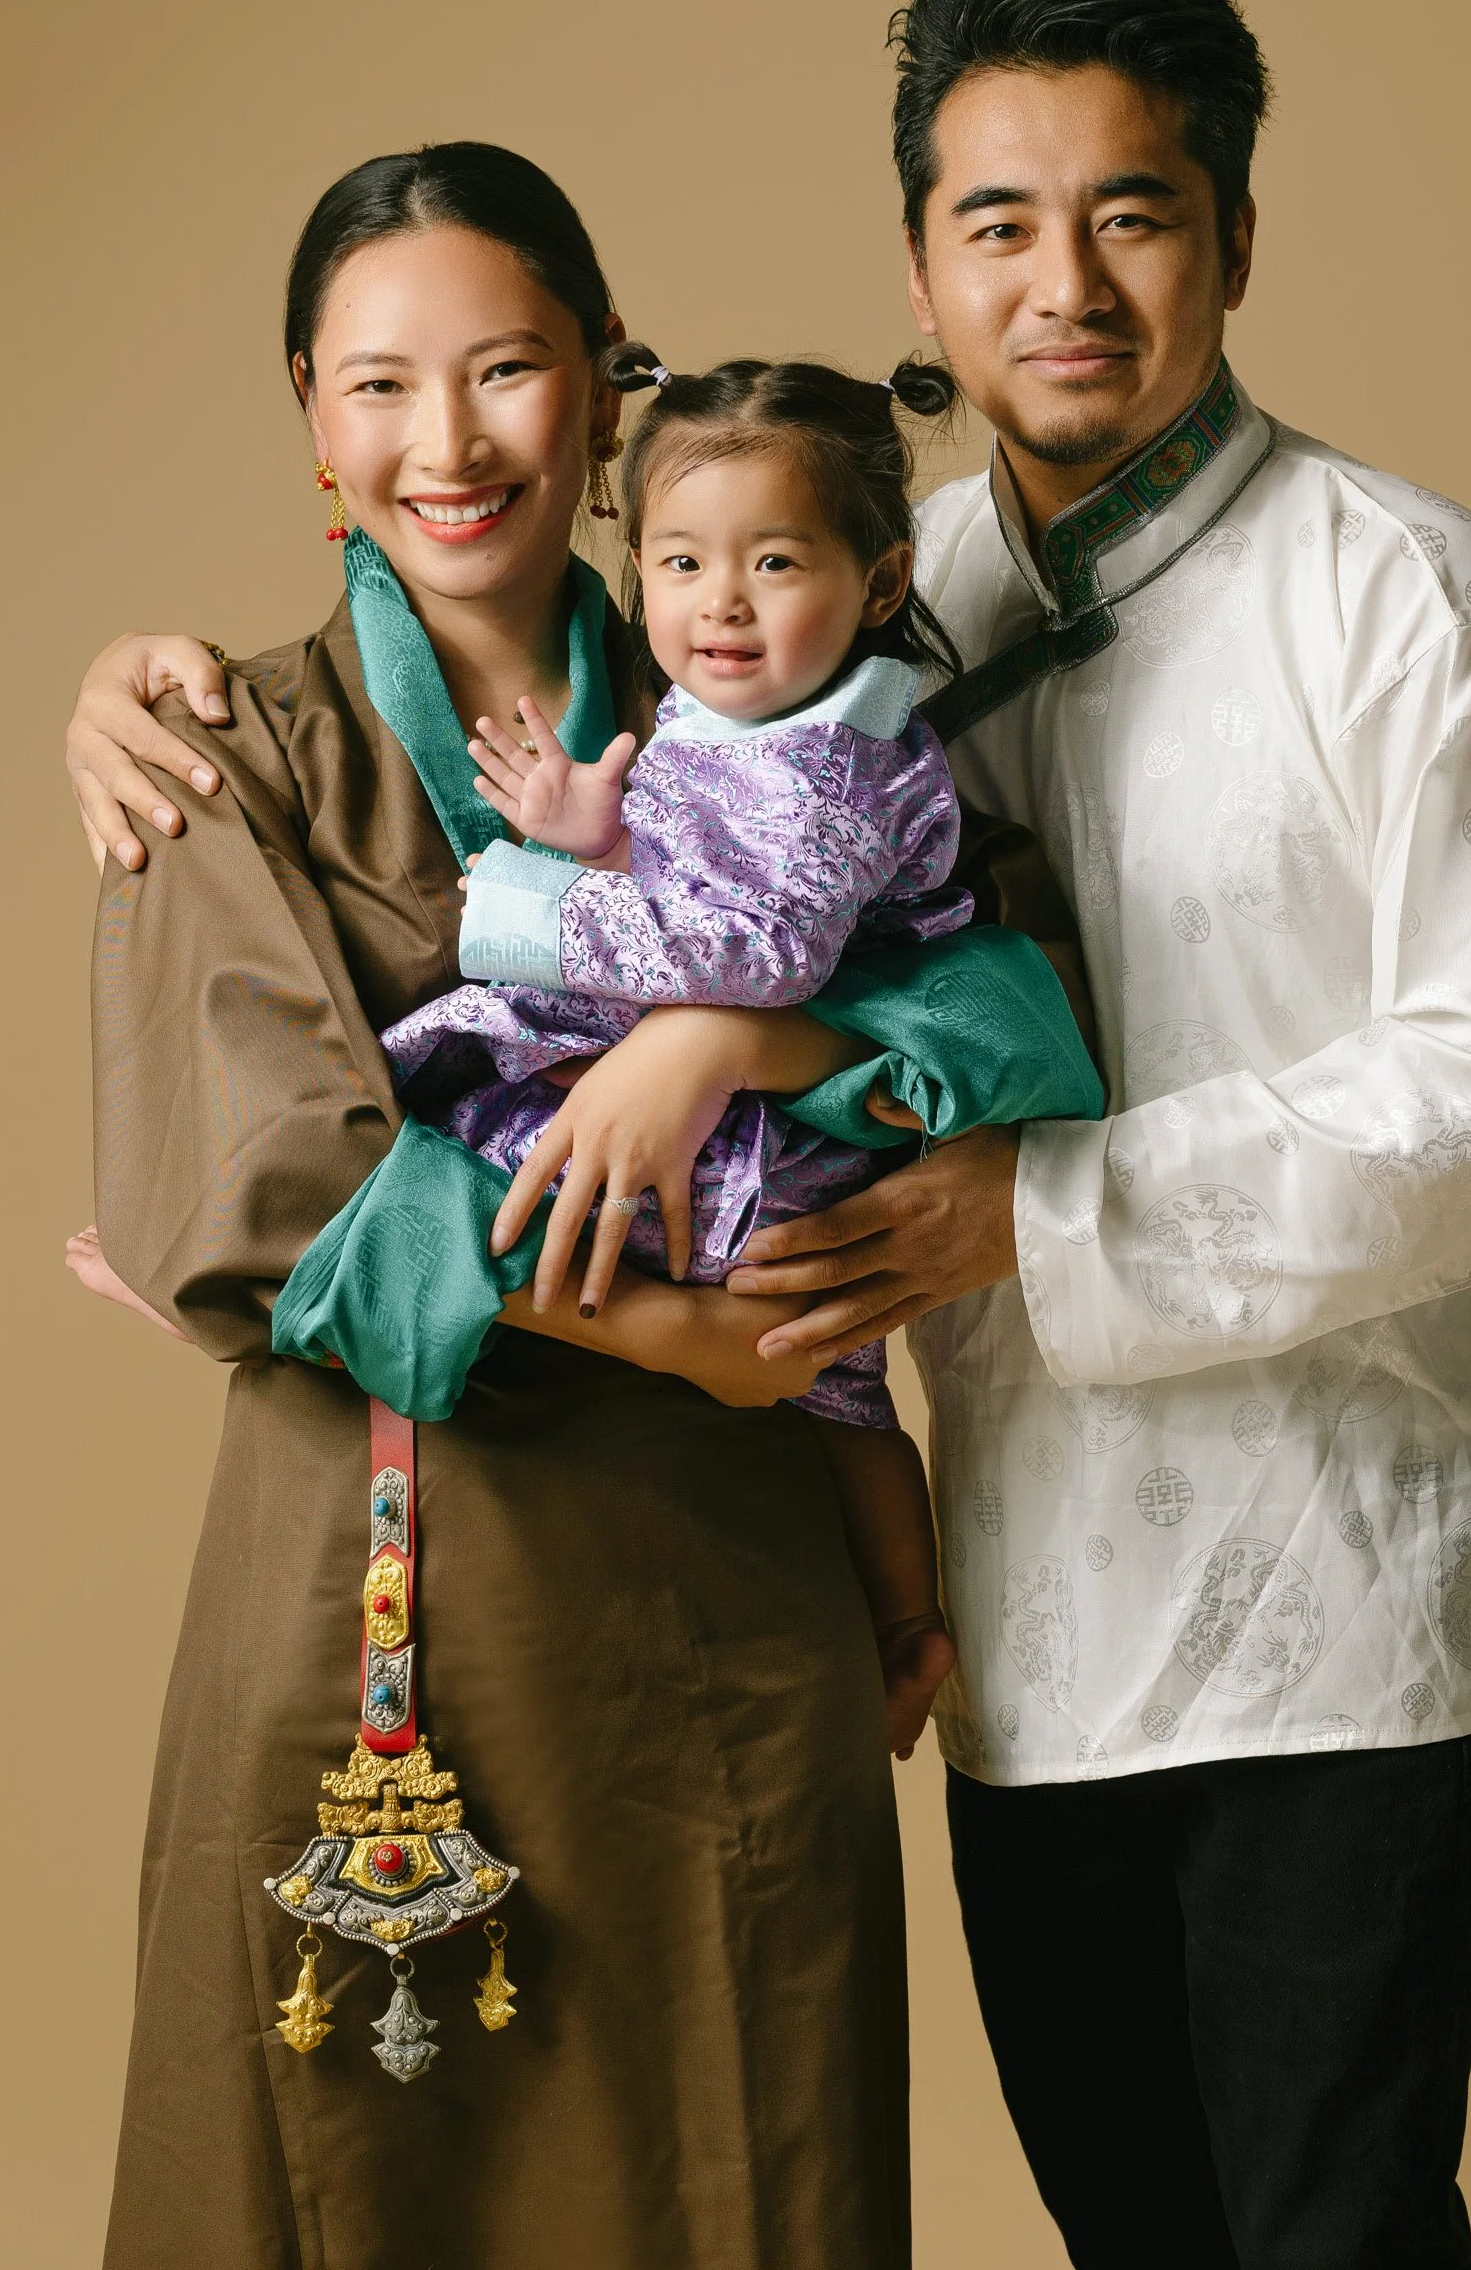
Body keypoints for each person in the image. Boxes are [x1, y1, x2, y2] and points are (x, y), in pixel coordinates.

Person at [68, 0, 1471, 2270]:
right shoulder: (687, 635)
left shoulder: (1266, 603)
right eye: (998, 223)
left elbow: (1348, 1069)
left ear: (1236, 236)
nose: (1065, 281)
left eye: (1131, 216)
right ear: (920, 274)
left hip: (1190, 1598)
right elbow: (318, 1156)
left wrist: (819, 1090)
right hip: (774, 1617)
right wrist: (131, 687)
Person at [52, 138, 1086, 2270]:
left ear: (608, 401)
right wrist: (693, 1339)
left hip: (726, 1630)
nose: (450, 440)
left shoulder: (789, 681)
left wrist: (718, 1032)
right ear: (309, 425)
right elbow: (272, 1185)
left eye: (507, 367)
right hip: (385, 1604)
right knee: (350, 2256)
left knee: (734, 2240)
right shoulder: (232, 740)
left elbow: (1008, 1004)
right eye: (378, 383)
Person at [365, 348, 1098, 1754]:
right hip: (784, 1124)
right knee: (843, 1392)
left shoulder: (840, 761)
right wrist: (604, 833)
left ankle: (307, 1296)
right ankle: (905, 1626)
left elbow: (764, 953)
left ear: (880, 585)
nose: (722, 604)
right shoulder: (733, 721)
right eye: (682, 561)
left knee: (450, 1137)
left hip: (799, 1134)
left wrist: (547, 908)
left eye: (774, 563)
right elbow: (704, 874)